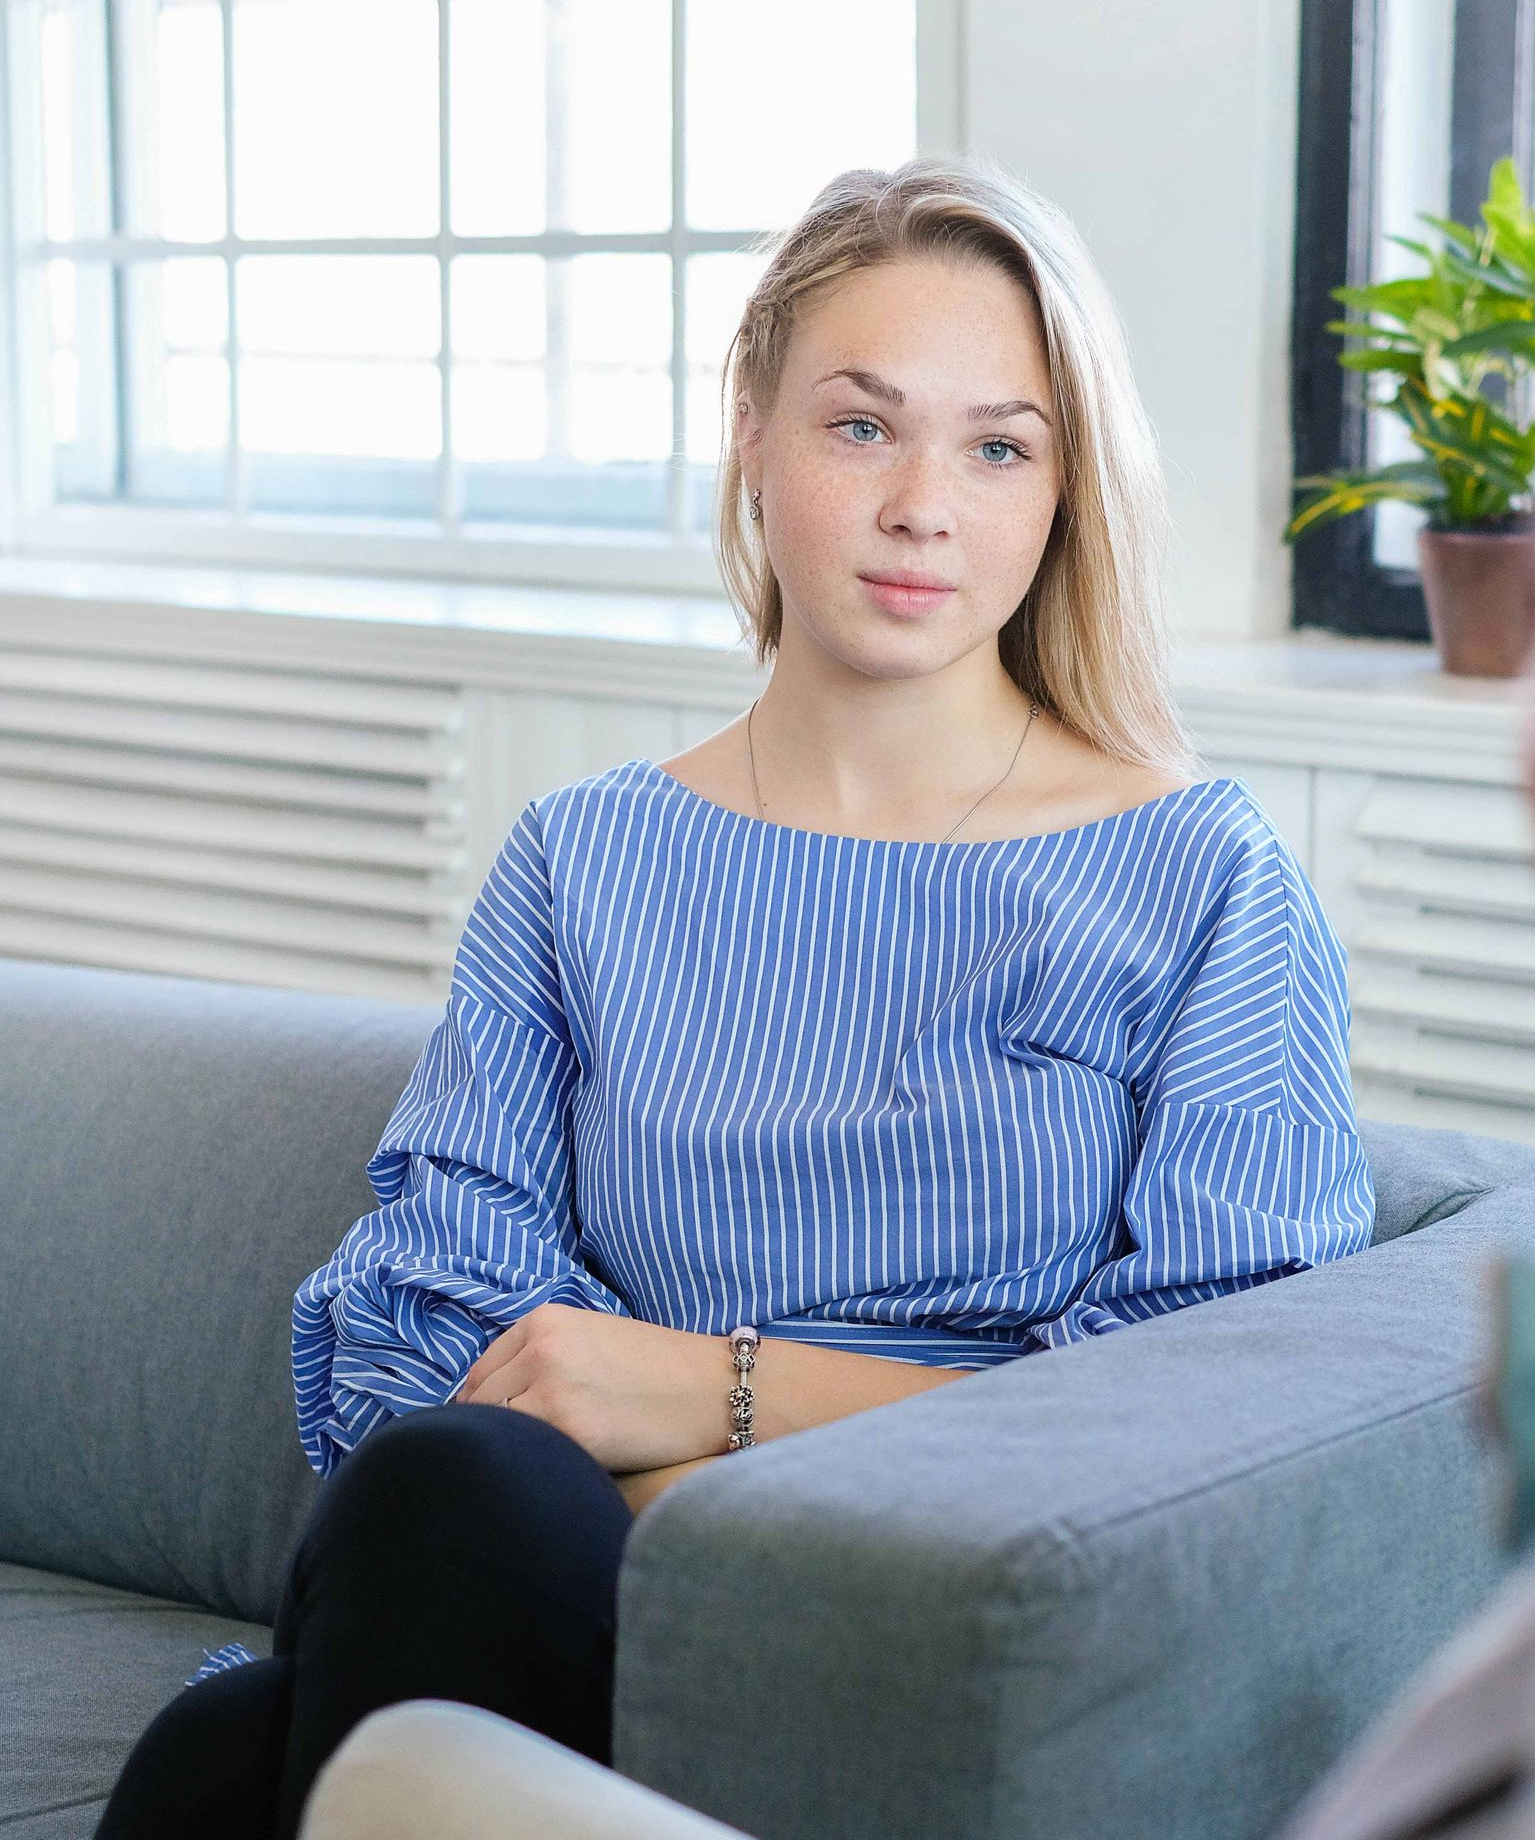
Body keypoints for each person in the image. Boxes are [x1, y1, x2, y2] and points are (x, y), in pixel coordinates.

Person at [94, 154, 1376, 1840]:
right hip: (542, 1574)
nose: (926, 502)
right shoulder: (583, 859)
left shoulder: (1200, 875)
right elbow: (435, 1315)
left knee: (236, 1762)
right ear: (753, 448)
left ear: (1062, 496)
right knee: (388, 1569)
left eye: (999, 445)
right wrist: (623, 1467)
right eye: (861, 426)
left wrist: (715, 1403)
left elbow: (1216, 1404)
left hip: (933, 1622)